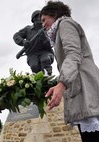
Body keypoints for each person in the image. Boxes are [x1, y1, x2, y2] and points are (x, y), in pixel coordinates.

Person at [40, 1, 99, 142]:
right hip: (80, 89)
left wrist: (62, 83)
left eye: (44, 19)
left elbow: (73, 54)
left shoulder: (65, 24)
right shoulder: (58, 31)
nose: (42, 25)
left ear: (54, 14)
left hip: (86, 88)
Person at [13, 10, 54, 75]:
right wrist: (23, 42)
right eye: (39, 17)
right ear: (34, 19)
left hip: (45, 52)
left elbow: (50, 45)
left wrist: (44, 38)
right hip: (32, 54)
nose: (41, 19)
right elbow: (16, 36)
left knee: (45, 60)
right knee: (34, 66)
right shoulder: (28, 29)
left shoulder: (47, 29)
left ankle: (48, 79)